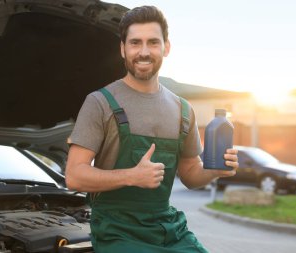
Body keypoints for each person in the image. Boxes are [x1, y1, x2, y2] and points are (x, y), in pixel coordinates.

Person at [65, 5, 238, 253]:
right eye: (135, 43)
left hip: (167, 228)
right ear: (123, 49)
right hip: (117, 230)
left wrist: (215, 170)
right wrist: (131, 176)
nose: (144, 52)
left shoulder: (183, 110)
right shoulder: (100, 102)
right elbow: (74, 175)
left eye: (153, 43)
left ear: (166, 48)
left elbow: (190, 174)